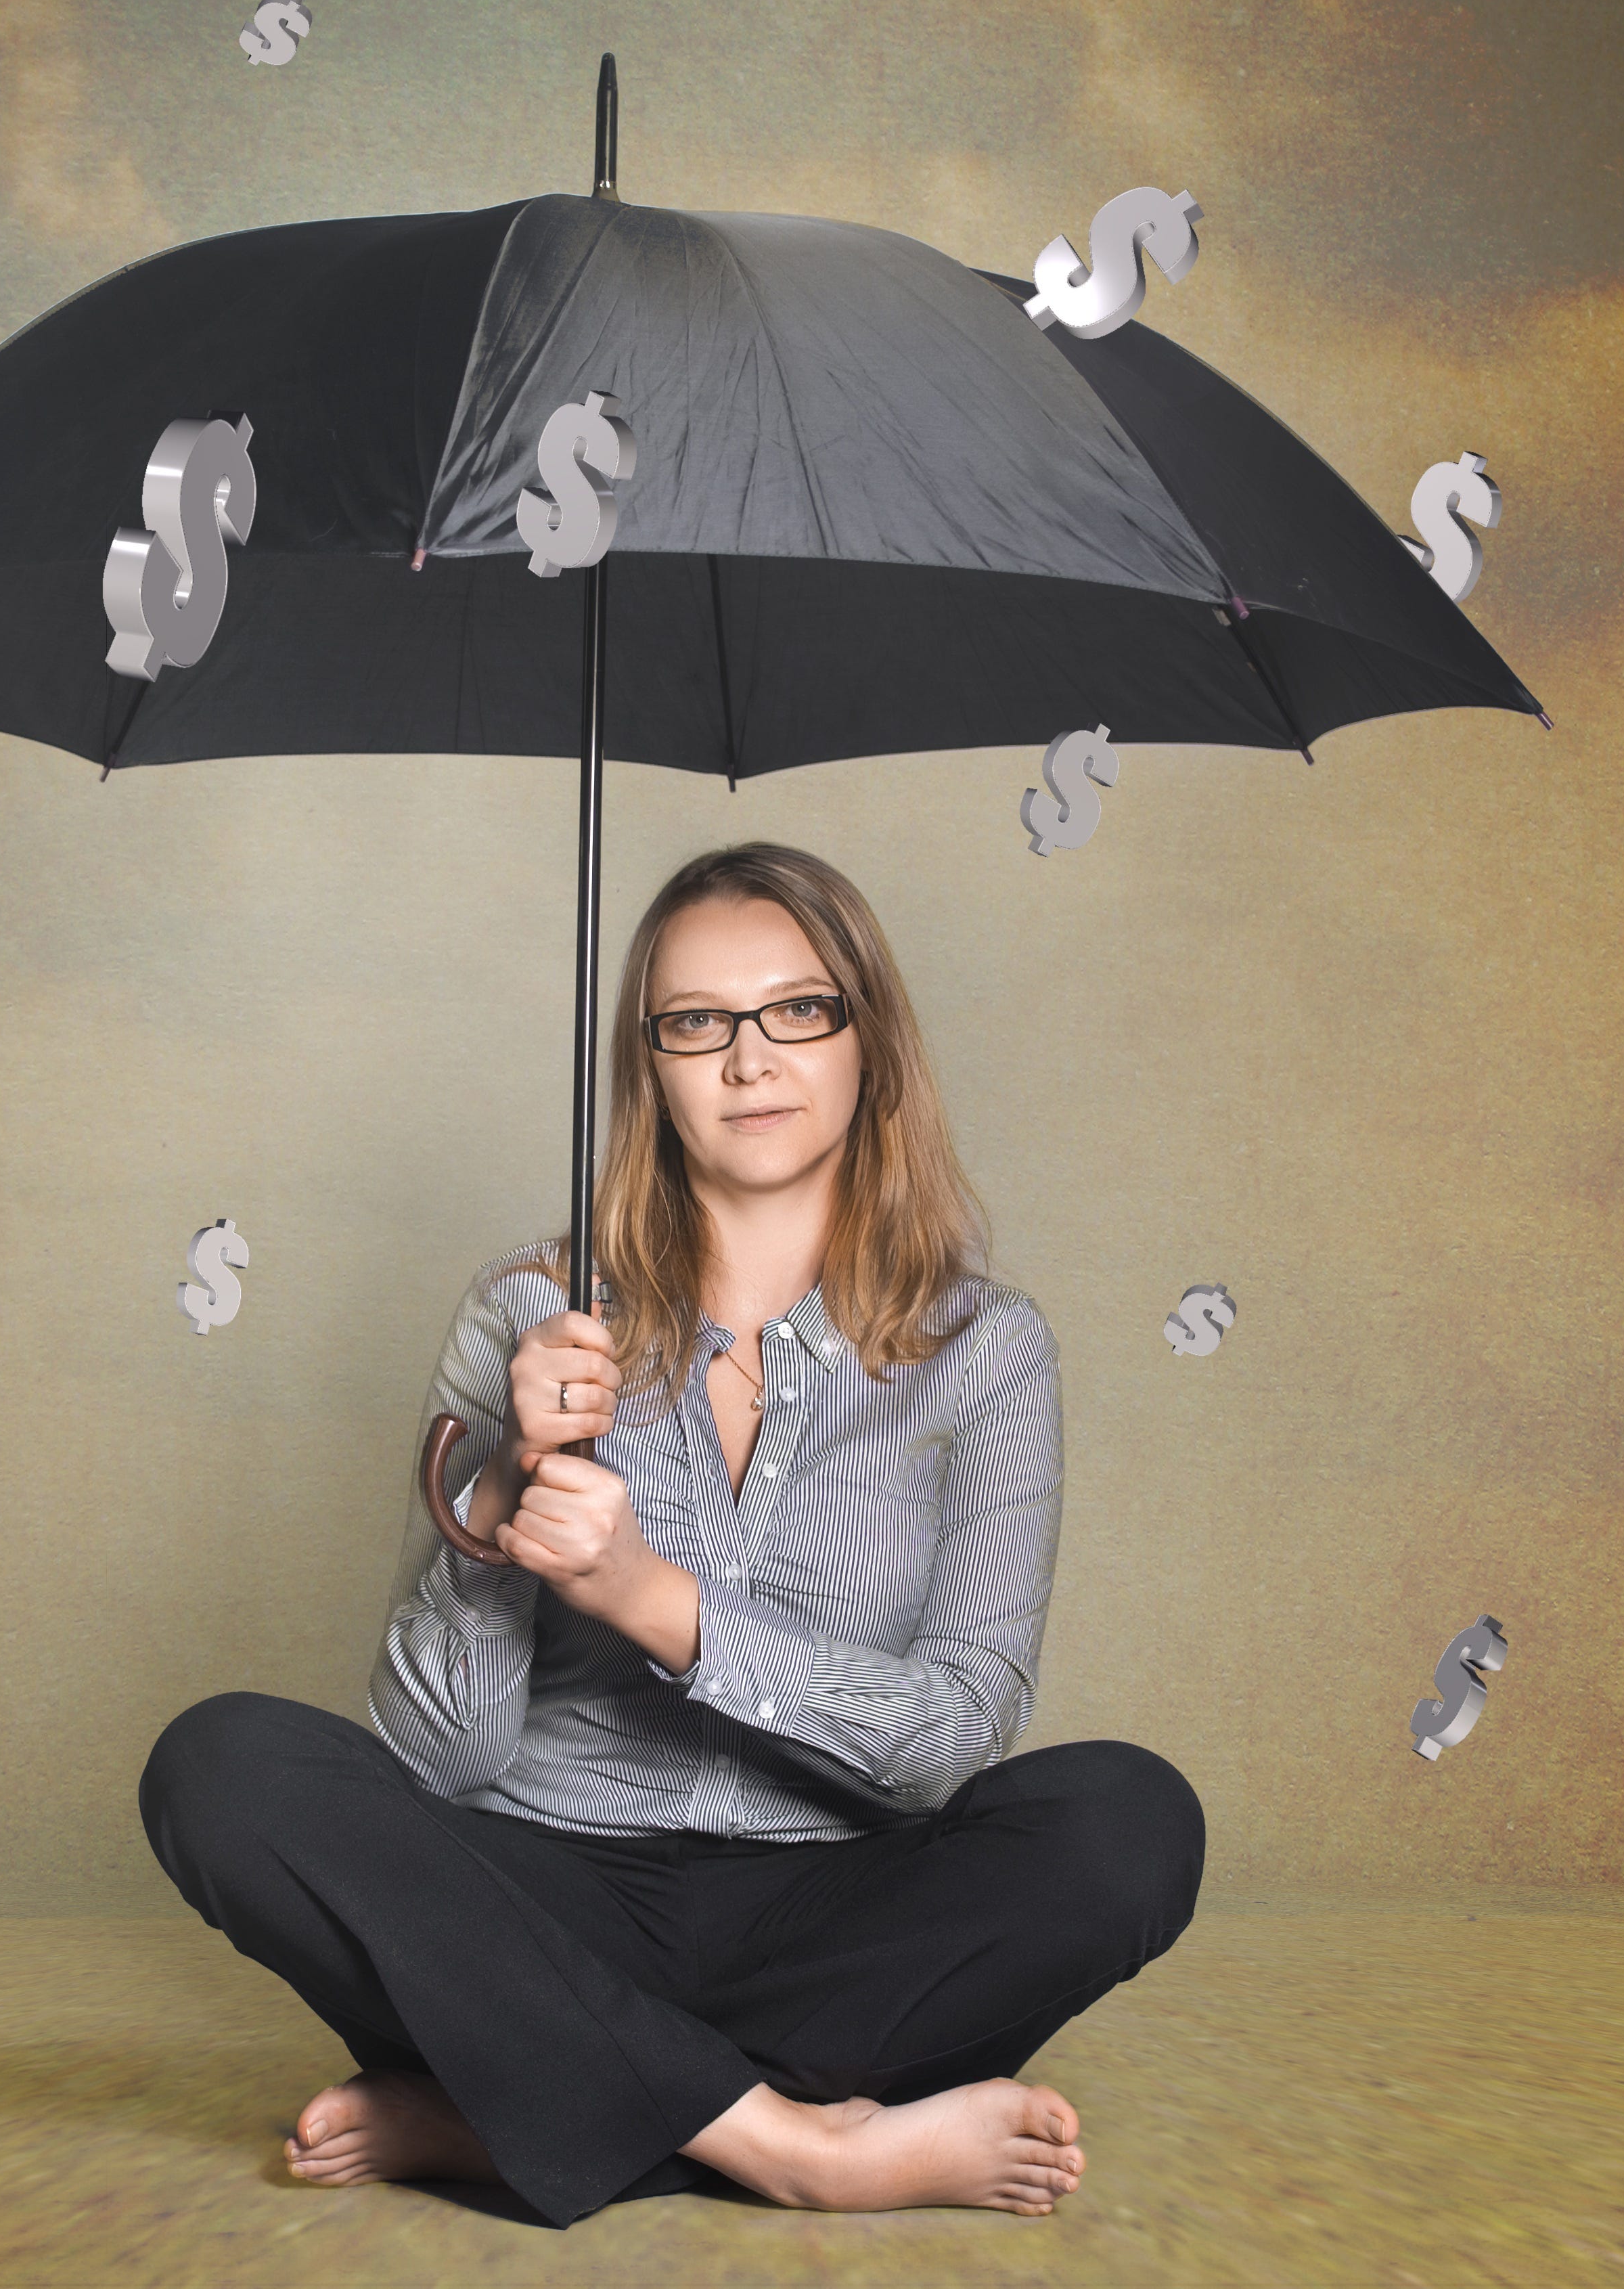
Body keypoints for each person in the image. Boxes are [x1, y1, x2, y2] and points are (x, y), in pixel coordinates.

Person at [138, 843, 1203, 2229]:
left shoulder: (985, 1352)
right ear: (648, 1062)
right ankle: (796, 2148)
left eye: (795, 1009)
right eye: (695, 1021)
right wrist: (513, 1489)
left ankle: (509, 2106)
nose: (748, 1060)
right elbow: (440, 1752)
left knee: (1128, 1819)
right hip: (538, 1902)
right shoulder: (529, 1310)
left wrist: (656, 1602)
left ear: (867, 1036)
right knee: (220, 1762)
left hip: (836, 1908)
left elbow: (952, 1729)